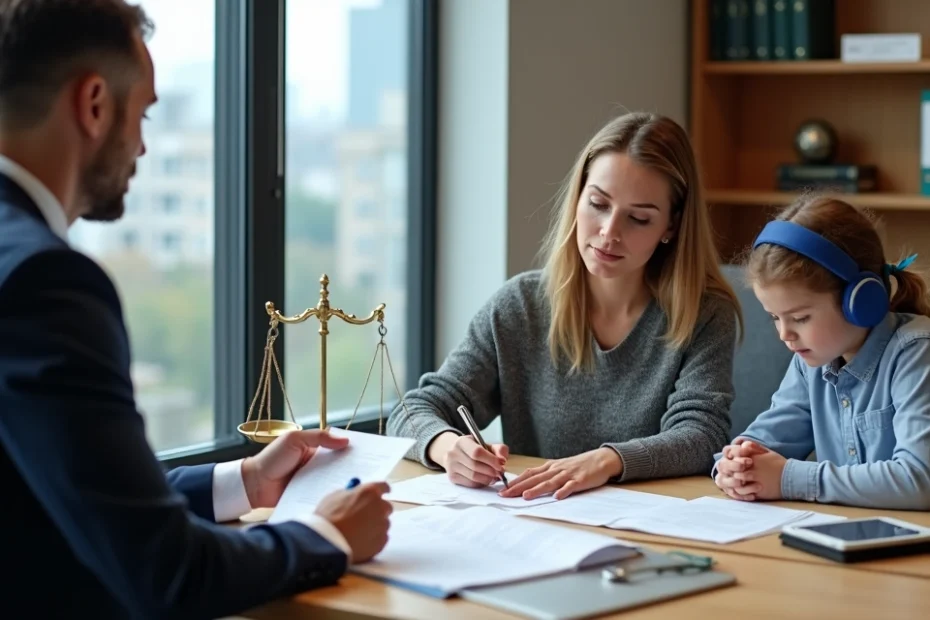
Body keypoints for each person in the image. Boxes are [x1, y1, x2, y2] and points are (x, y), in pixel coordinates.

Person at [0, 2, 391, 618]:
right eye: (143, 114)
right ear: (95, 104)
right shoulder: (45, 282)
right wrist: (327, 535)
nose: (145, 147)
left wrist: (246, 482)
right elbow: (170, 575)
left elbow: (75, 486)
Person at [388, 112, 743, 501]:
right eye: (597, 204)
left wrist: (604, 462)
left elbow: (700, 436)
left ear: (671, 228)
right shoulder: (520, 306)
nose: (609, 233)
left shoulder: (704, 313)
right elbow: (412, 410)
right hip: (536, 521)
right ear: (577, 198)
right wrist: (447, 446)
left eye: (638, 218)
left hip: (649, 529)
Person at [714, 195, 930, 510]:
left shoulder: (916, 352)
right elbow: (765, 440)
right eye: (775, 317)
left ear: (861, 301)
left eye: (800, 318)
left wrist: (788, 478)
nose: (784, 334)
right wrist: (734, 465)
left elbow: (919, 480)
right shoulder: (811, 361)